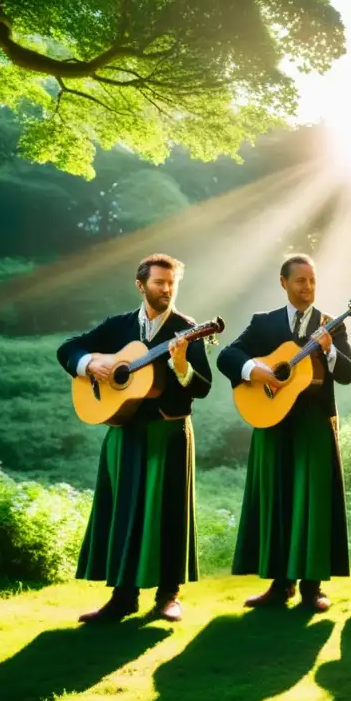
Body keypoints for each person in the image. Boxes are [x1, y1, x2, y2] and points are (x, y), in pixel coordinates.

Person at [57, 253, 212, 623]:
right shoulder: (118, 325)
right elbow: (68, 348)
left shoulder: (186, 328)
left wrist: (181, 367)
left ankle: (168, 595)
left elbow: (203, 388)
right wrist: (89, 364)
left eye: (172, 282)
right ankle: (122, 596)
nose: (167, 289)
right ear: (141, 285)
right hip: (124, 431)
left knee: (168, 513)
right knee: (123, 512)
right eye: (159, 282)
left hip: (168, 431)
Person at [217, 254, 351, 612]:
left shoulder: (331, 324)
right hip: (272, 422)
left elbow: (347, 373)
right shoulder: (264, 323)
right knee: (276, 501)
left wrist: (330, 351)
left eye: (312, 281)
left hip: (314, 426)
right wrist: (253, 370)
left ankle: (313, 589)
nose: (307, 287)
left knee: (312, 504)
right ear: (284, 283)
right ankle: (279, 586)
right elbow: (227, 356)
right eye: (300, 281)